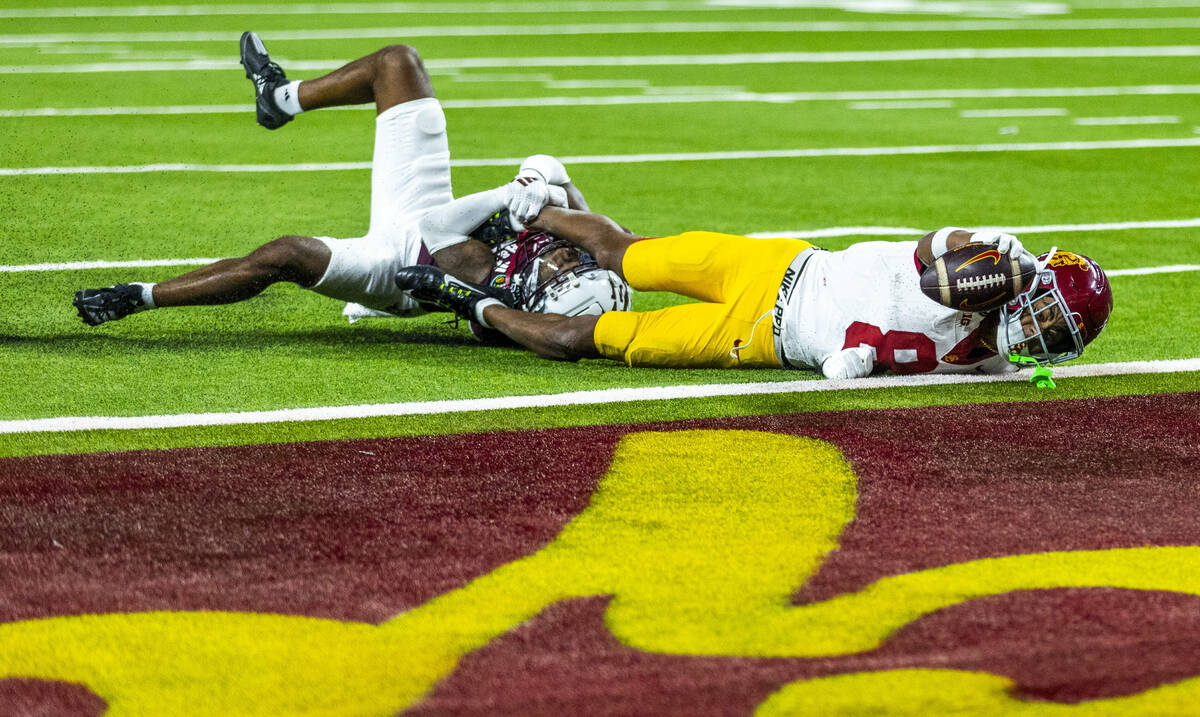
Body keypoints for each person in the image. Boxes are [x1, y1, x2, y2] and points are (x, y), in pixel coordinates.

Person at [72, 33, 628, 328]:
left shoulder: (493, 282)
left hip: (404, 265)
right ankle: (279, 99)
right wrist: (538, 176)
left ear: (536, 296)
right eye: (572, 261)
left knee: (286, 254)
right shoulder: (593, 253)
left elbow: (436, 228)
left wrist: (513, 193)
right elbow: (556, 171)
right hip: (440, 219)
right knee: (397, 62)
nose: (564, 258)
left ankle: (137, 298)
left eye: (559, 269)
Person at [395, 207, 1114, 379]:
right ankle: (531, 209)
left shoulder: (990, 369)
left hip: (766, 336)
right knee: (629, 257)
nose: (1043, 338)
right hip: (776, 266)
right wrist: (1009, 273)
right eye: (1048, 316)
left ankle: (469, 305)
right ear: (1031, 284)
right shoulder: (986, 258)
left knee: (604, 339)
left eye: (1059, 338)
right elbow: (935, 272)